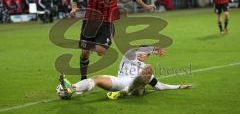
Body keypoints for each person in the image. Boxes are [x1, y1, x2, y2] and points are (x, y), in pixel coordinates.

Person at [70, 0, 156, 80]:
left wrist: (146, 6)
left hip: (106, 21)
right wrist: (74, 8)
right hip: (90, 21)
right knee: (84, 53)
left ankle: (91, 45)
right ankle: (83, 78)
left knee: (100, 51)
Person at [57, 46, 192, 99]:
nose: (142, 54)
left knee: (149, 70)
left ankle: (126, 92)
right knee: (97, 78)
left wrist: (178, 86)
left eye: (144, 54)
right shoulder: (129, 56)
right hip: (120, 82)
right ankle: (72, 88)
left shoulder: (145, 67)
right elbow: (137, 48)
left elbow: (159, 86)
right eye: (142, 52)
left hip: (135, 88)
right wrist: (154, 49)